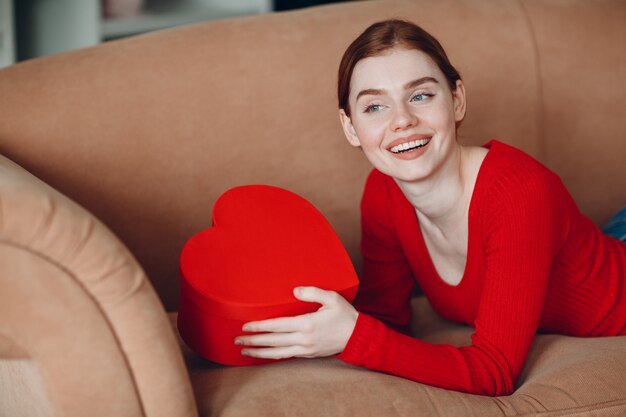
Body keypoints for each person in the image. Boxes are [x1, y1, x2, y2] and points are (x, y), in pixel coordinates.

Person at [233, 19, 626, 396]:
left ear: (456, 101)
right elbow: (384, 318)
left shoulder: (520, 192)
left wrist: (354, 336)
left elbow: (495, 372)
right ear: (350, 127)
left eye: (420, 95)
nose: (402, 120)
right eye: (374, 107)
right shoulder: (383, 193)